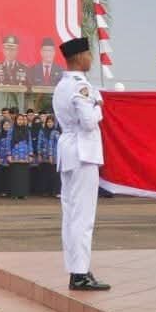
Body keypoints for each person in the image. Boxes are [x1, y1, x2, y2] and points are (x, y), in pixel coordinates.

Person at [54, 38, 108, 289]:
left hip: (68, 152)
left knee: (71, 215)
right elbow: (88, 122)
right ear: (79, 58)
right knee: (83, 217)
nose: (91, 59)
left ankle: (76, 269)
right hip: (83, 152)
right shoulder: (81, 86)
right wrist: (98, 107)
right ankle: (80, 273)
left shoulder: (62, 85)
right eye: (88, 54)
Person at [6, 114, 34, 199]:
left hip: (24, 156)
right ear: (16, 120)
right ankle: (15, 194)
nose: (20, 121)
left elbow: (29, 142)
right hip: (15, 156)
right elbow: (8, 142)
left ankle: (23, 193)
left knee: (24, 176)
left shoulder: (27, 130)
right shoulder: (11, 130)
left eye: (22, 120)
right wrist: (9, 154)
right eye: (19, 120)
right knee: (15, 176)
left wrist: (30, 154)